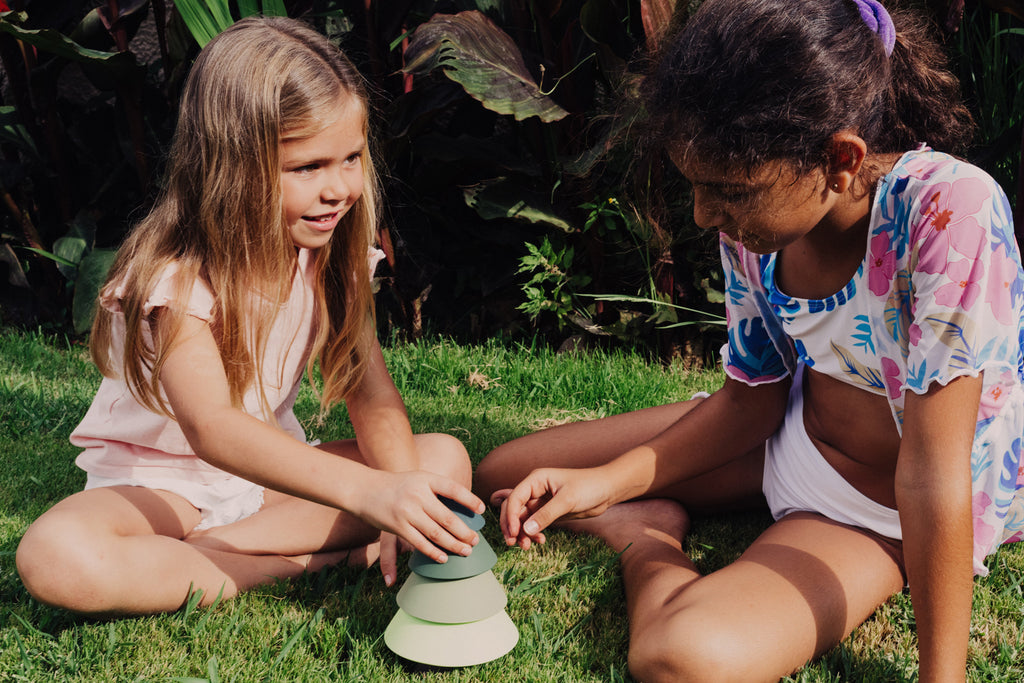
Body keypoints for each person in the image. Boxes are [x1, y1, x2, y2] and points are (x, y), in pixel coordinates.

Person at [475, 0, 1024, 680]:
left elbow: (933, 471)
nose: (705, 214)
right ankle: (636, 502)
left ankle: (644, 536)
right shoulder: (756, 227)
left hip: (874, 508)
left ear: (840, 160)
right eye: (696, 188)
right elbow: (750, 399)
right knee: (505, 475)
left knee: (680, 658)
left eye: (727, 192)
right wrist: (603, 482)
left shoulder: (948, 213)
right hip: (785, 435)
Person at [16, 16, 483, 616]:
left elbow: (369, 393)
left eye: (351, 158)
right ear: (233, 165)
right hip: (160, 487)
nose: (339, 188)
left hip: (267, 484)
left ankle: (203, 559)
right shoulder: (175, 277)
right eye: (308, 167)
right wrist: (374, 494)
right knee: (57, 556)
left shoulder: (329, 255)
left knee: (442, 461)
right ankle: (292, 563)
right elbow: (212, 427)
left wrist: (397, 488)